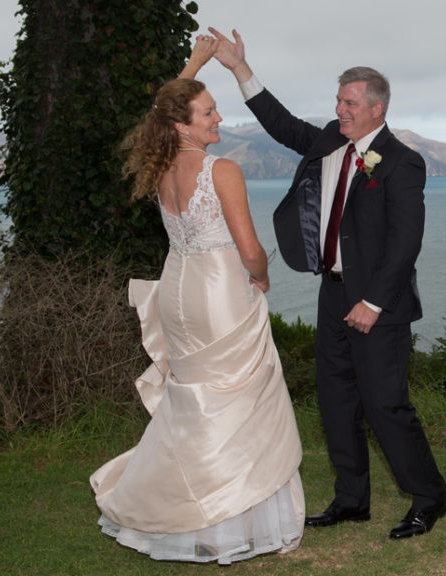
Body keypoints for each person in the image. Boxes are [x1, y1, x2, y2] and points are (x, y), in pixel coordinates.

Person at [208, 28, 446, 540]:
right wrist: (239, 69)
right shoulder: (329, 143)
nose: (340, 109)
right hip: (333, 292)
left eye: (350, 102)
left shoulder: (404, 163)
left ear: (377, 109)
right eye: (338, 100)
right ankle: (351, 500)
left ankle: (429, 498)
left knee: (386, 404)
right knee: (336, 400)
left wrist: (373, 301)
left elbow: (406, 244)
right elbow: (279, 123)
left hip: (378, 304)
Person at [89, 37, 304, 564]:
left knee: (192, 402)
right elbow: (250, 248)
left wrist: (196, 65)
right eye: (208, 111)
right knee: (240, 401)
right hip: (220, 293)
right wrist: (261, 278)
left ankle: (188, 514)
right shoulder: (222, 170)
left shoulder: (160, 165)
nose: (217, 116)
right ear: (183, 125)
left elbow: (160, 113)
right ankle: (235, 521)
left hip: (177, 290)